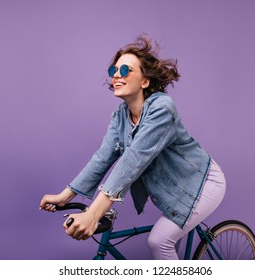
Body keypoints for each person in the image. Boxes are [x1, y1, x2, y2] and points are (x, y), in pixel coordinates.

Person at [39, 35, 226, 260]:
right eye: (114, 70)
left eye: (126, 70)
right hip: (174, 190)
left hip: (203, 184)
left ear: (145, 81)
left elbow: (134, 160)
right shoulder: (120, 117)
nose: (117, 75)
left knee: (160, 241)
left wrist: (93, 213)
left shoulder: (162, 109)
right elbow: (102, 159)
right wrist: (64, 196)